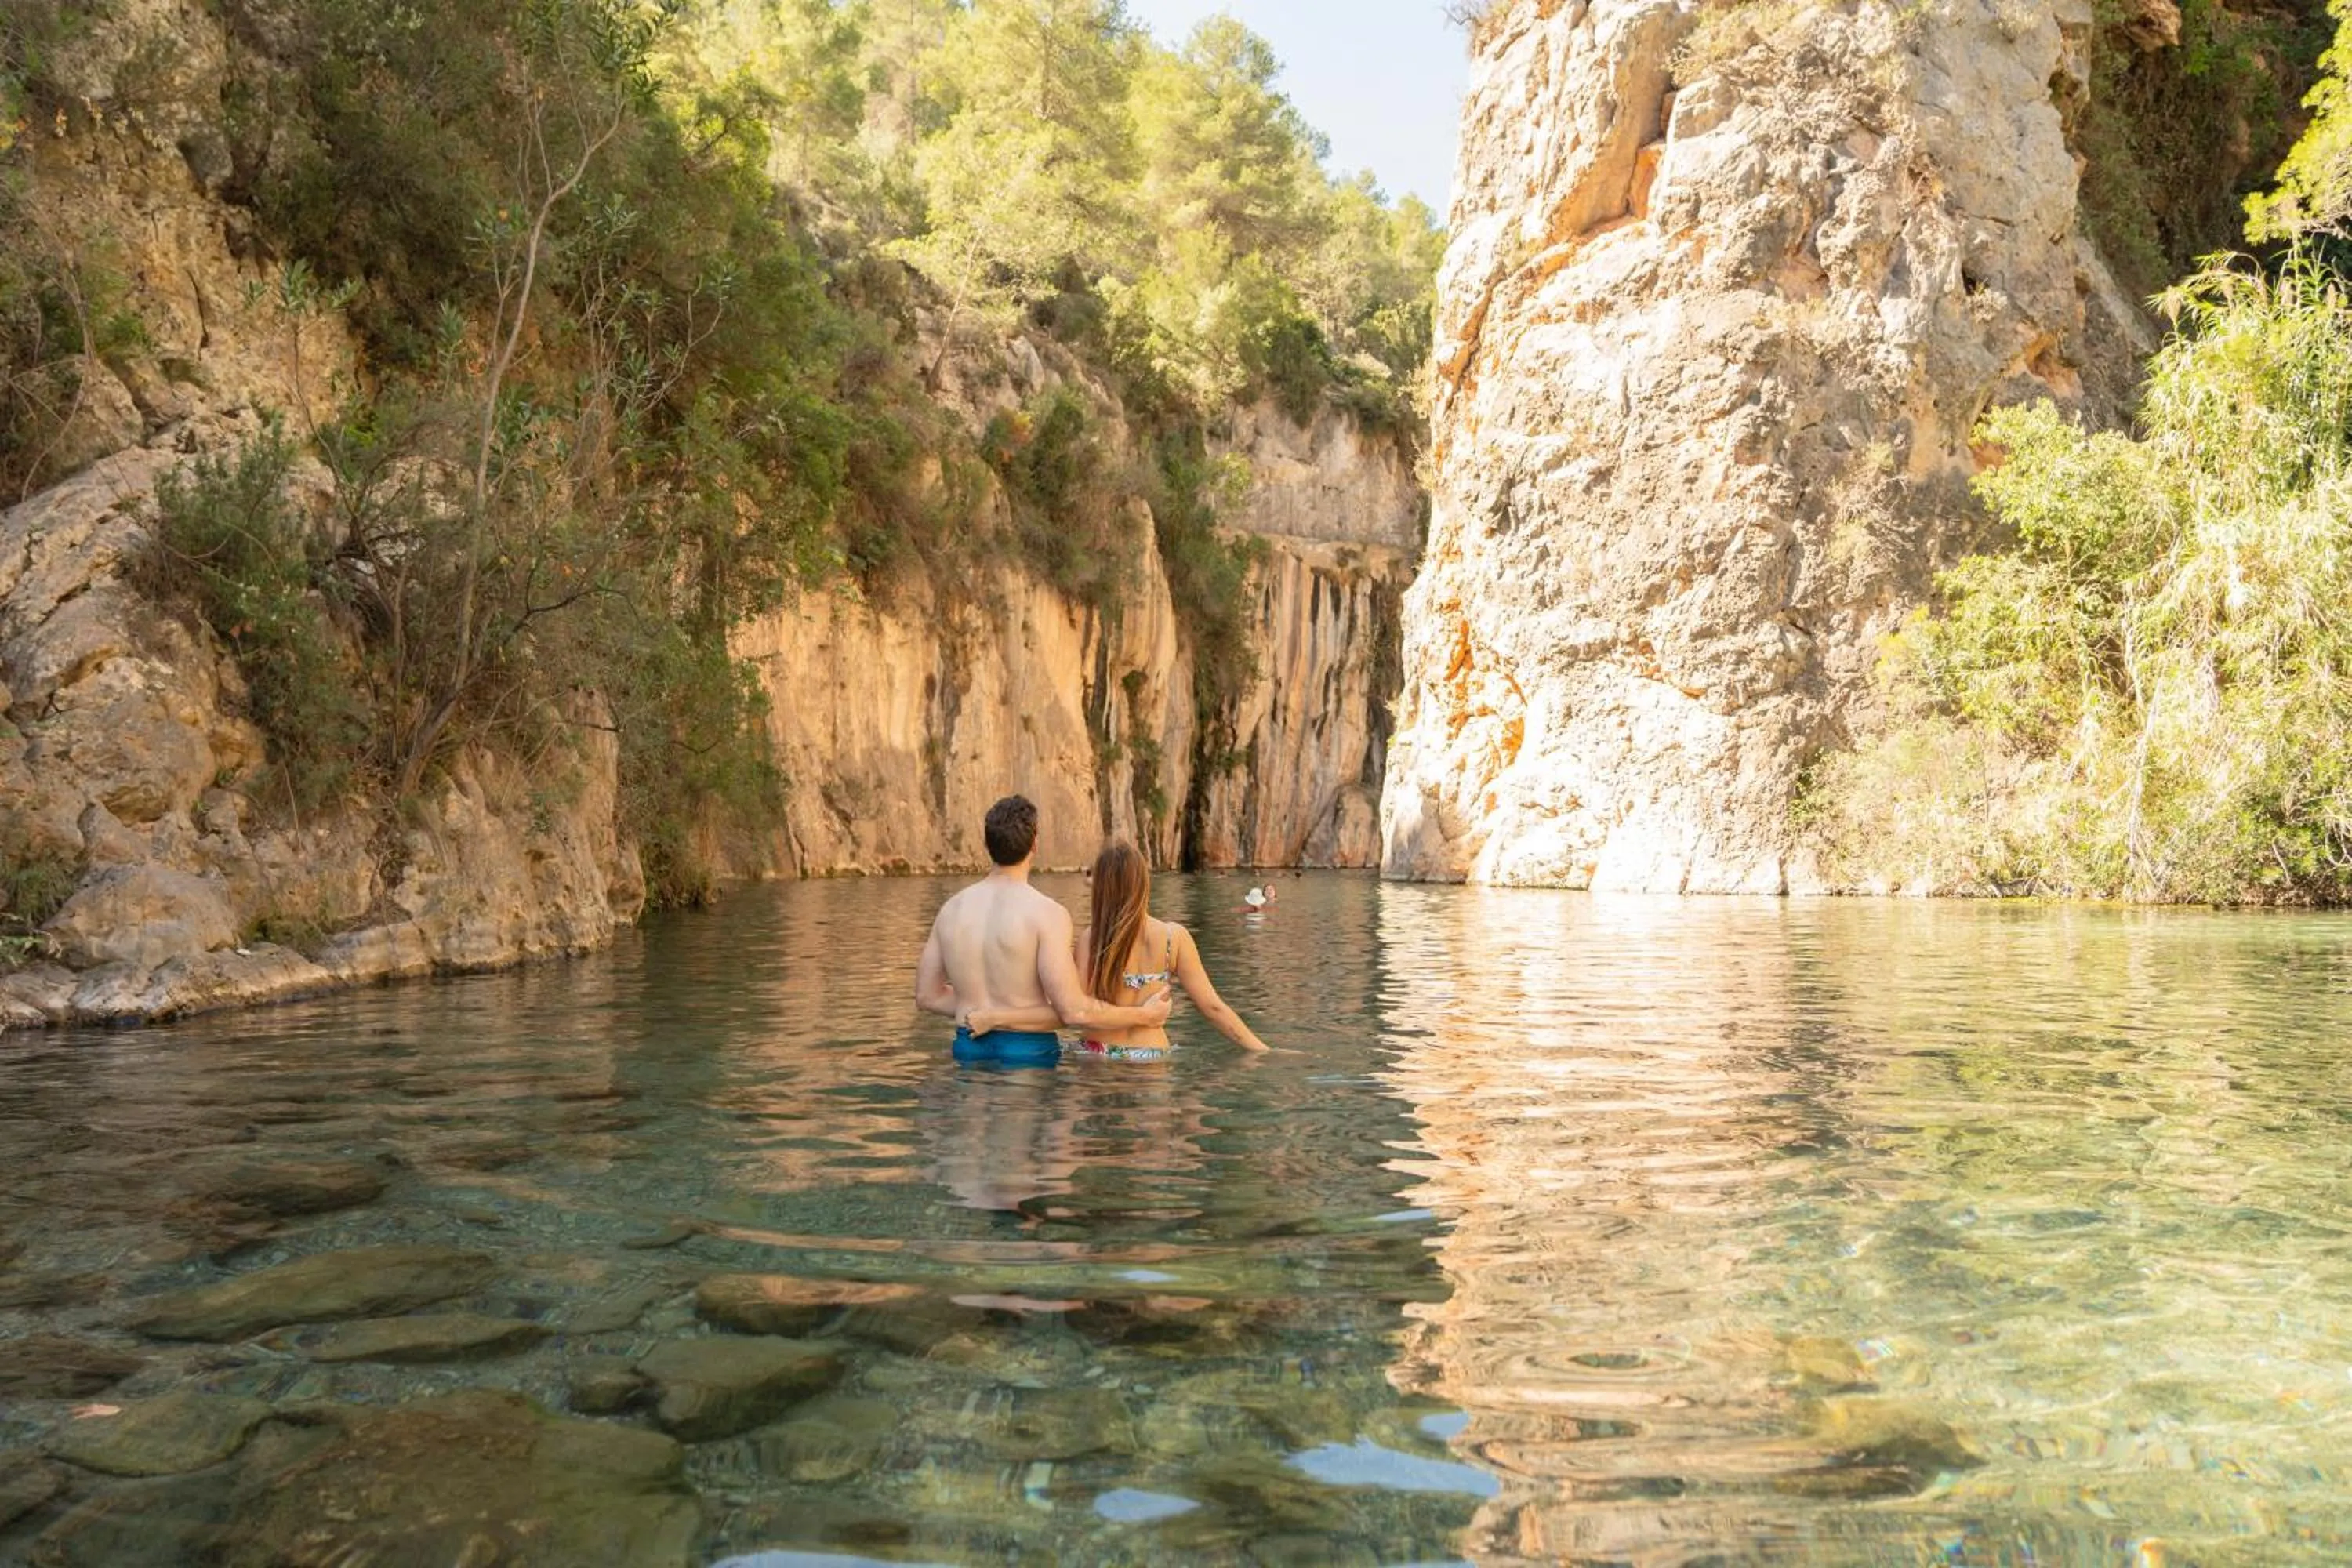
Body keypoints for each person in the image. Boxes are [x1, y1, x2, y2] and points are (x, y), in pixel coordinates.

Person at [914, 796, 1170, 1069]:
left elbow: (927, 997)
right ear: (1035, 843)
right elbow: (1073, 1011)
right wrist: (1144, 1016)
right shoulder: (1047, 914)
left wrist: (981, 1010)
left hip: (969, 1047)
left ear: (986, 844)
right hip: (1027, 1053)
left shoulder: (950, 911)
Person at [975, 838, 1269, 1062]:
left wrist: (999, 1017)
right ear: (1143, 883)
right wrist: (1262, 1051)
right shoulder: (1172, 938)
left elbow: (1070, 1010)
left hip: (1094, 1054)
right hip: (1149, 1056)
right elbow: (1213, 1008)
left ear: (1100, 887)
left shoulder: (1090, 938)